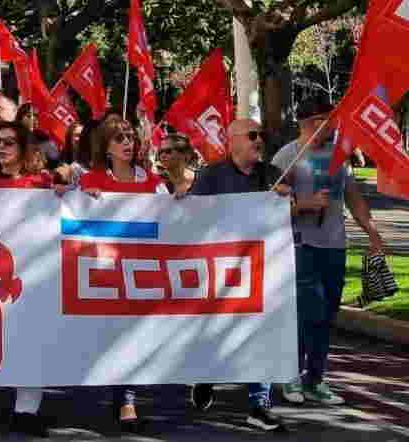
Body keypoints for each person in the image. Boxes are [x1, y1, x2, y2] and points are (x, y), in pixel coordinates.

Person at [272, 97, 386, 407]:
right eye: (328, 120)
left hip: (335, 245)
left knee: (326, 317)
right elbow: (269, 204)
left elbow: (352, 195)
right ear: (310, 123)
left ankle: (315, 380)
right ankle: (290, 375)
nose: (335, 125)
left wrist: (371, 230)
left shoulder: (339, 155)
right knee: (309, 313)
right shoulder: (287, 157)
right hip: (301, 245)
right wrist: (304, 206)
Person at [183, 119, 290, 433]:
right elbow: (189, 217)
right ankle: (207, 373)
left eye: (262, 135)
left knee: (263, 333)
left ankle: (260, 404)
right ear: (233, 141)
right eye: (253, 135)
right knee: (219, 333)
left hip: (262, 270)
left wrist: (287, 201)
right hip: (220, 271)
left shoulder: (272, 175)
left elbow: (285, 217)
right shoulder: (211, 175)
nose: (259, 141)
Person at [0, 123, 61, 437]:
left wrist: (68, 193)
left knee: (33, 339)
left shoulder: (43, 183)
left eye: (9, 142)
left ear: (24, 148)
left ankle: (26, 411)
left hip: (35, 273)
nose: (2, 148)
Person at [77, 116, 166, 431]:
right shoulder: (91, 180)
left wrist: (182, 201)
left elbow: (175, 222)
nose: (127, 143)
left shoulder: (154, 182)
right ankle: (118, 394)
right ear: (106, 147)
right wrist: (86, 200)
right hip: (104, 271)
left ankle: (127, 399)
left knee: (133, 335)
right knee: (112, 335)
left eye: (130, 137)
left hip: (142, 270)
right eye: (119, 139)